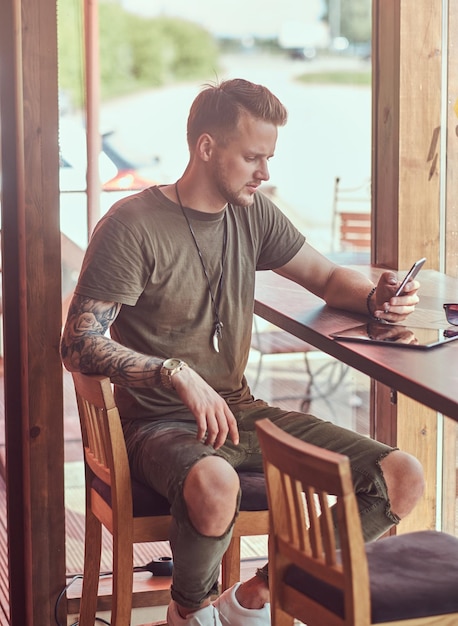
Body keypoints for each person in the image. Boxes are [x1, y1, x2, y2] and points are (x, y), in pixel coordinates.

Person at [61, 78, 425, 626]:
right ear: (207, 148)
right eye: (253, 156)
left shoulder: (252, 212)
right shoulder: (131, 226)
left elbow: (325, 278)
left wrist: (377, 297)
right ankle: (188, 612)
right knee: (216, 482)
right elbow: (78, 342)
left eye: (269, 157)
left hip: (240, 411)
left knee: (401, 474)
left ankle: (253, 595)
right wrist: (172, 371)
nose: (266, 172)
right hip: (157, 425)